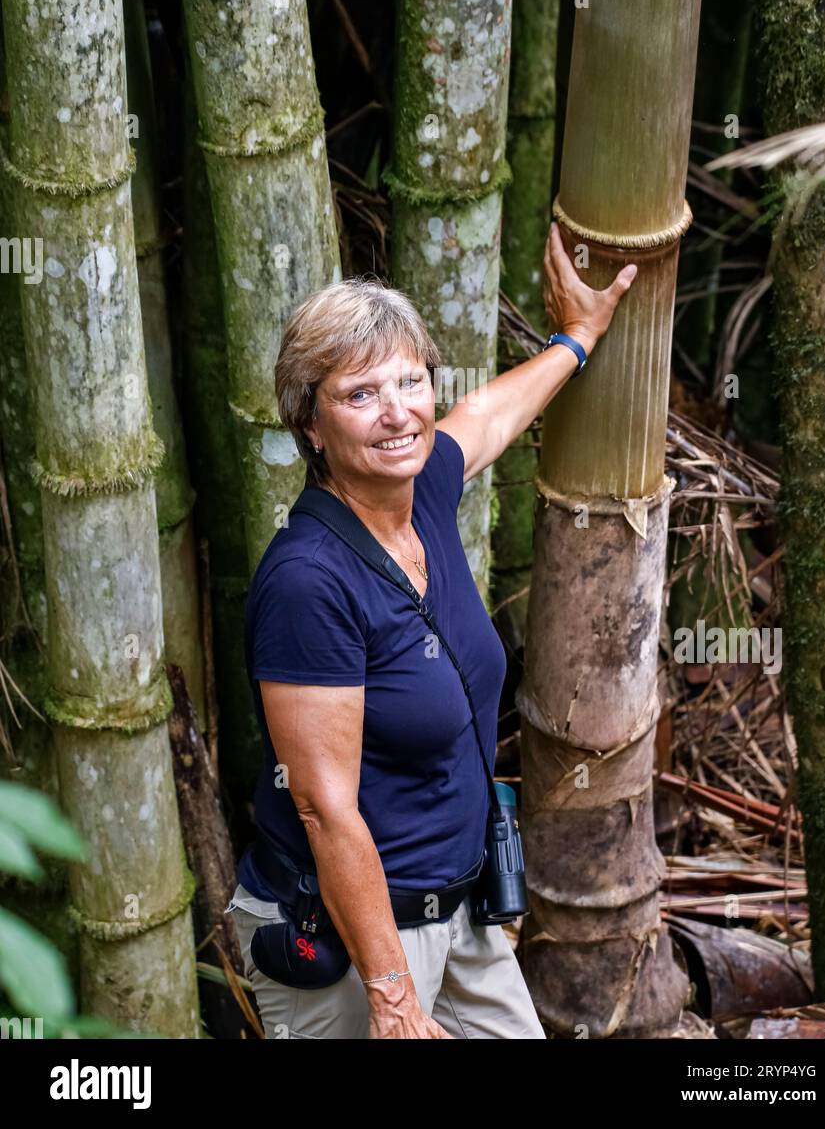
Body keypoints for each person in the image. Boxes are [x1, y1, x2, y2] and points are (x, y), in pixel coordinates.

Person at [225, 222, 637, 1038]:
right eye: (359, 395)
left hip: (462, 915)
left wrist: (577, 340)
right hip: (352, 943)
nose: (396, 415)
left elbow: (486, 417)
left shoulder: (424, 490)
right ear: (311, 425)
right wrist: (393, 997)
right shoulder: (309, 583)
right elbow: (323, 809)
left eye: (411, 384)